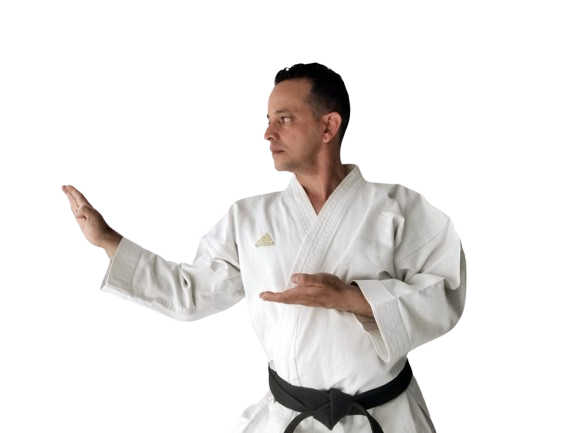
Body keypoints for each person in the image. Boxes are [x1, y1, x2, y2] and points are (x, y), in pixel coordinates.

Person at [61, 62, 467, 433]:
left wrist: (352, 298)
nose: (267, 134)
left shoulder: (398, 207)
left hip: (385, 417)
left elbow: (445, 291)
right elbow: (189, 293)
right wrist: (109, 241)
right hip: (289, 418)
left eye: (284, 119)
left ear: (328, 126)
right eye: (268, 121)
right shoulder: (248, 217)